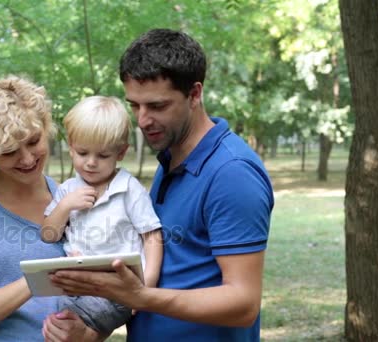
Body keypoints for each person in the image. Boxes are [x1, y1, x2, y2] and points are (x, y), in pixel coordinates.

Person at [46, 28, 274, 341]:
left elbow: (243, 303)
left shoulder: (232, 173)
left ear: (194, 94)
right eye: (135, 105)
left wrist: (139, 296)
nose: (142, 120)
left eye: (157, 106)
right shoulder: (169, 161)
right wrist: (88, 330)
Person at [0, 76, 101, 341]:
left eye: (33, 141)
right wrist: (39, 277)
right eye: (9, 151)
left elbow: (99, 305)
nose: (26, 158)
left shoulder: (74, 201)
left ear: (46, 128)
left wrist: (87, 334)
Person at [41, 96, 163, 335]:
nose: (91, 163)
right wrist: (64, 206)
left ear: (121, 152)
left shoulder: (128, 189)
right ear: (70, 145)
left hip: (120, 286)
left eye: (103, 155)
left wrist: (147, 289)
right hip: (77, 285)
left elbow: (152, 237)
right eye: (82, 152)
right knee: (58, 323)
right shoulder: (67, 190)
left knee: (70, 323)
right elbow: (48, 234)